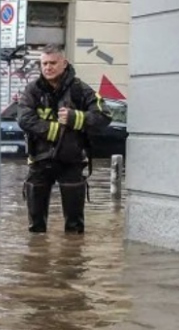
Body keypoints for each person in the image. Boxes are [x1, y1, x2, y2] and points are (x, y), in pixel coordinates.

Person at [16, 44, 112, 234]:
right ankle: (38, 252)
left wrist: (75, 117)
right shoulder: (32, 90)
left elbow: (104, 116)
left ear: (64, 63)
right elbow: (23, 118)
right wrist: (54, 131)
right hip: (40, 161)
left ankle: (73, 252)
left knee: (75, 228)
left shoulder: (80, 89)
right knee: (35, 228)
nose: (48, 67)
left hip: (72, 161)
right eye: (44, 63)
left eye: (52, 63)